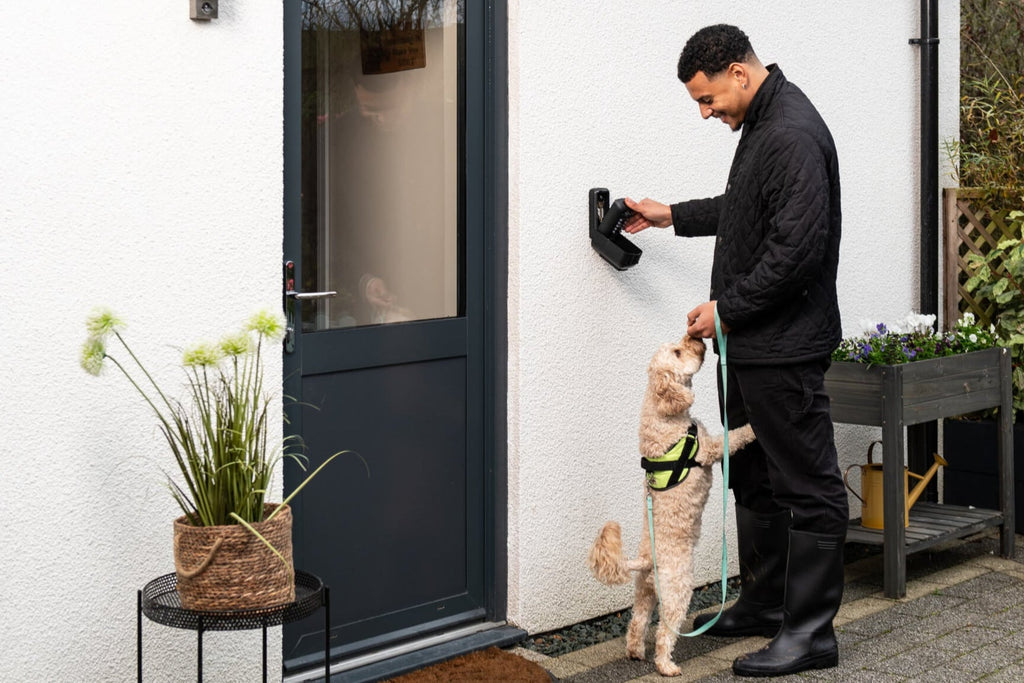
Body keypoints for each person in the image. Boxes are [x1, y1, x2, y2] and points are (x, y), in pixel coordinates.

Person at [622, 24, 849, 678]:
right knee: (757, 476)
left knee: (810, 486)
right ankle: (765, 602)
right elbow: (746, 207)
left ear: (740, 76)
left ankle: (810, 635)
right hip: (751, 346)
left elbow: (796, 254)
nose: (704, 112)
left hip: (784, 347)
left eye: (707, 98)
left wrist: (727, 307)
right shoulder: (763, 123)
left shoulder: (791, 133)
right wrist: (671, 214)